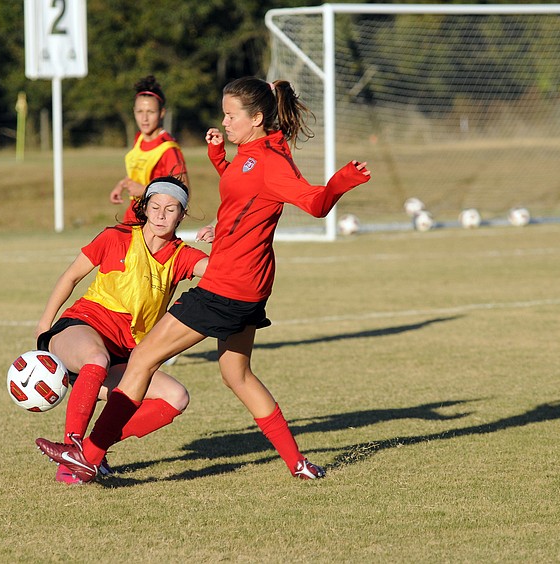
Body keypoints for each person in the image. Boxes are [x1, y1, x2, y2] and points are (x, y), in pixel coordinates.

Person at [37, 76, 372, 482]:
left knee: (142, 360)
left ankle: (87, 455)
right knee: (237, 375)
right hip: (250, 287)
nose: (225, 122)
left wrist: (341, 182)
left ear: (257, 118)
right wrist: (218, 166)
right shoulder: (253, 151)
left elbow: (315, 203)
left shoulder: (271, 160)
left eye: (232, 116)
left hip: (226, 285)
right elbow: (243, 188)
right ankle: (298, 464)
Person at [35, 176, 208, 483]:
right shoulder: (116, 237)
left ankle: (90, 451)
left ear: (182, 214)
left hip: (125, 354)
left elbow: (227, 272)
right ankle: (71, 451)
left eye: (170, 209)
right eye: (155, 206)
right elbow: (70, 277)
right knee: (95, 359)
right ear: (144, 208)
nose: (161, 215)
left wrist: (223, 235)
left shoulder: (182, 256)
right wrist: (43, 326)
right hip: (80, 329)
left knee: (176, 397)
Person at [110, 75, 189, 224]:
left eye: (150, 112)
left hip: (154, 223)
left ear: (162, 113)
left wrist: (145, 190)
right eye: (140, 112)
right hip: (133, 216)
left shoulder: (168, 148)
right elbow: (138, 174)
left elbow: (183, 189)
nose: (144, 118)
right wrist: (121, 185)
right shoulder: (139, 139)